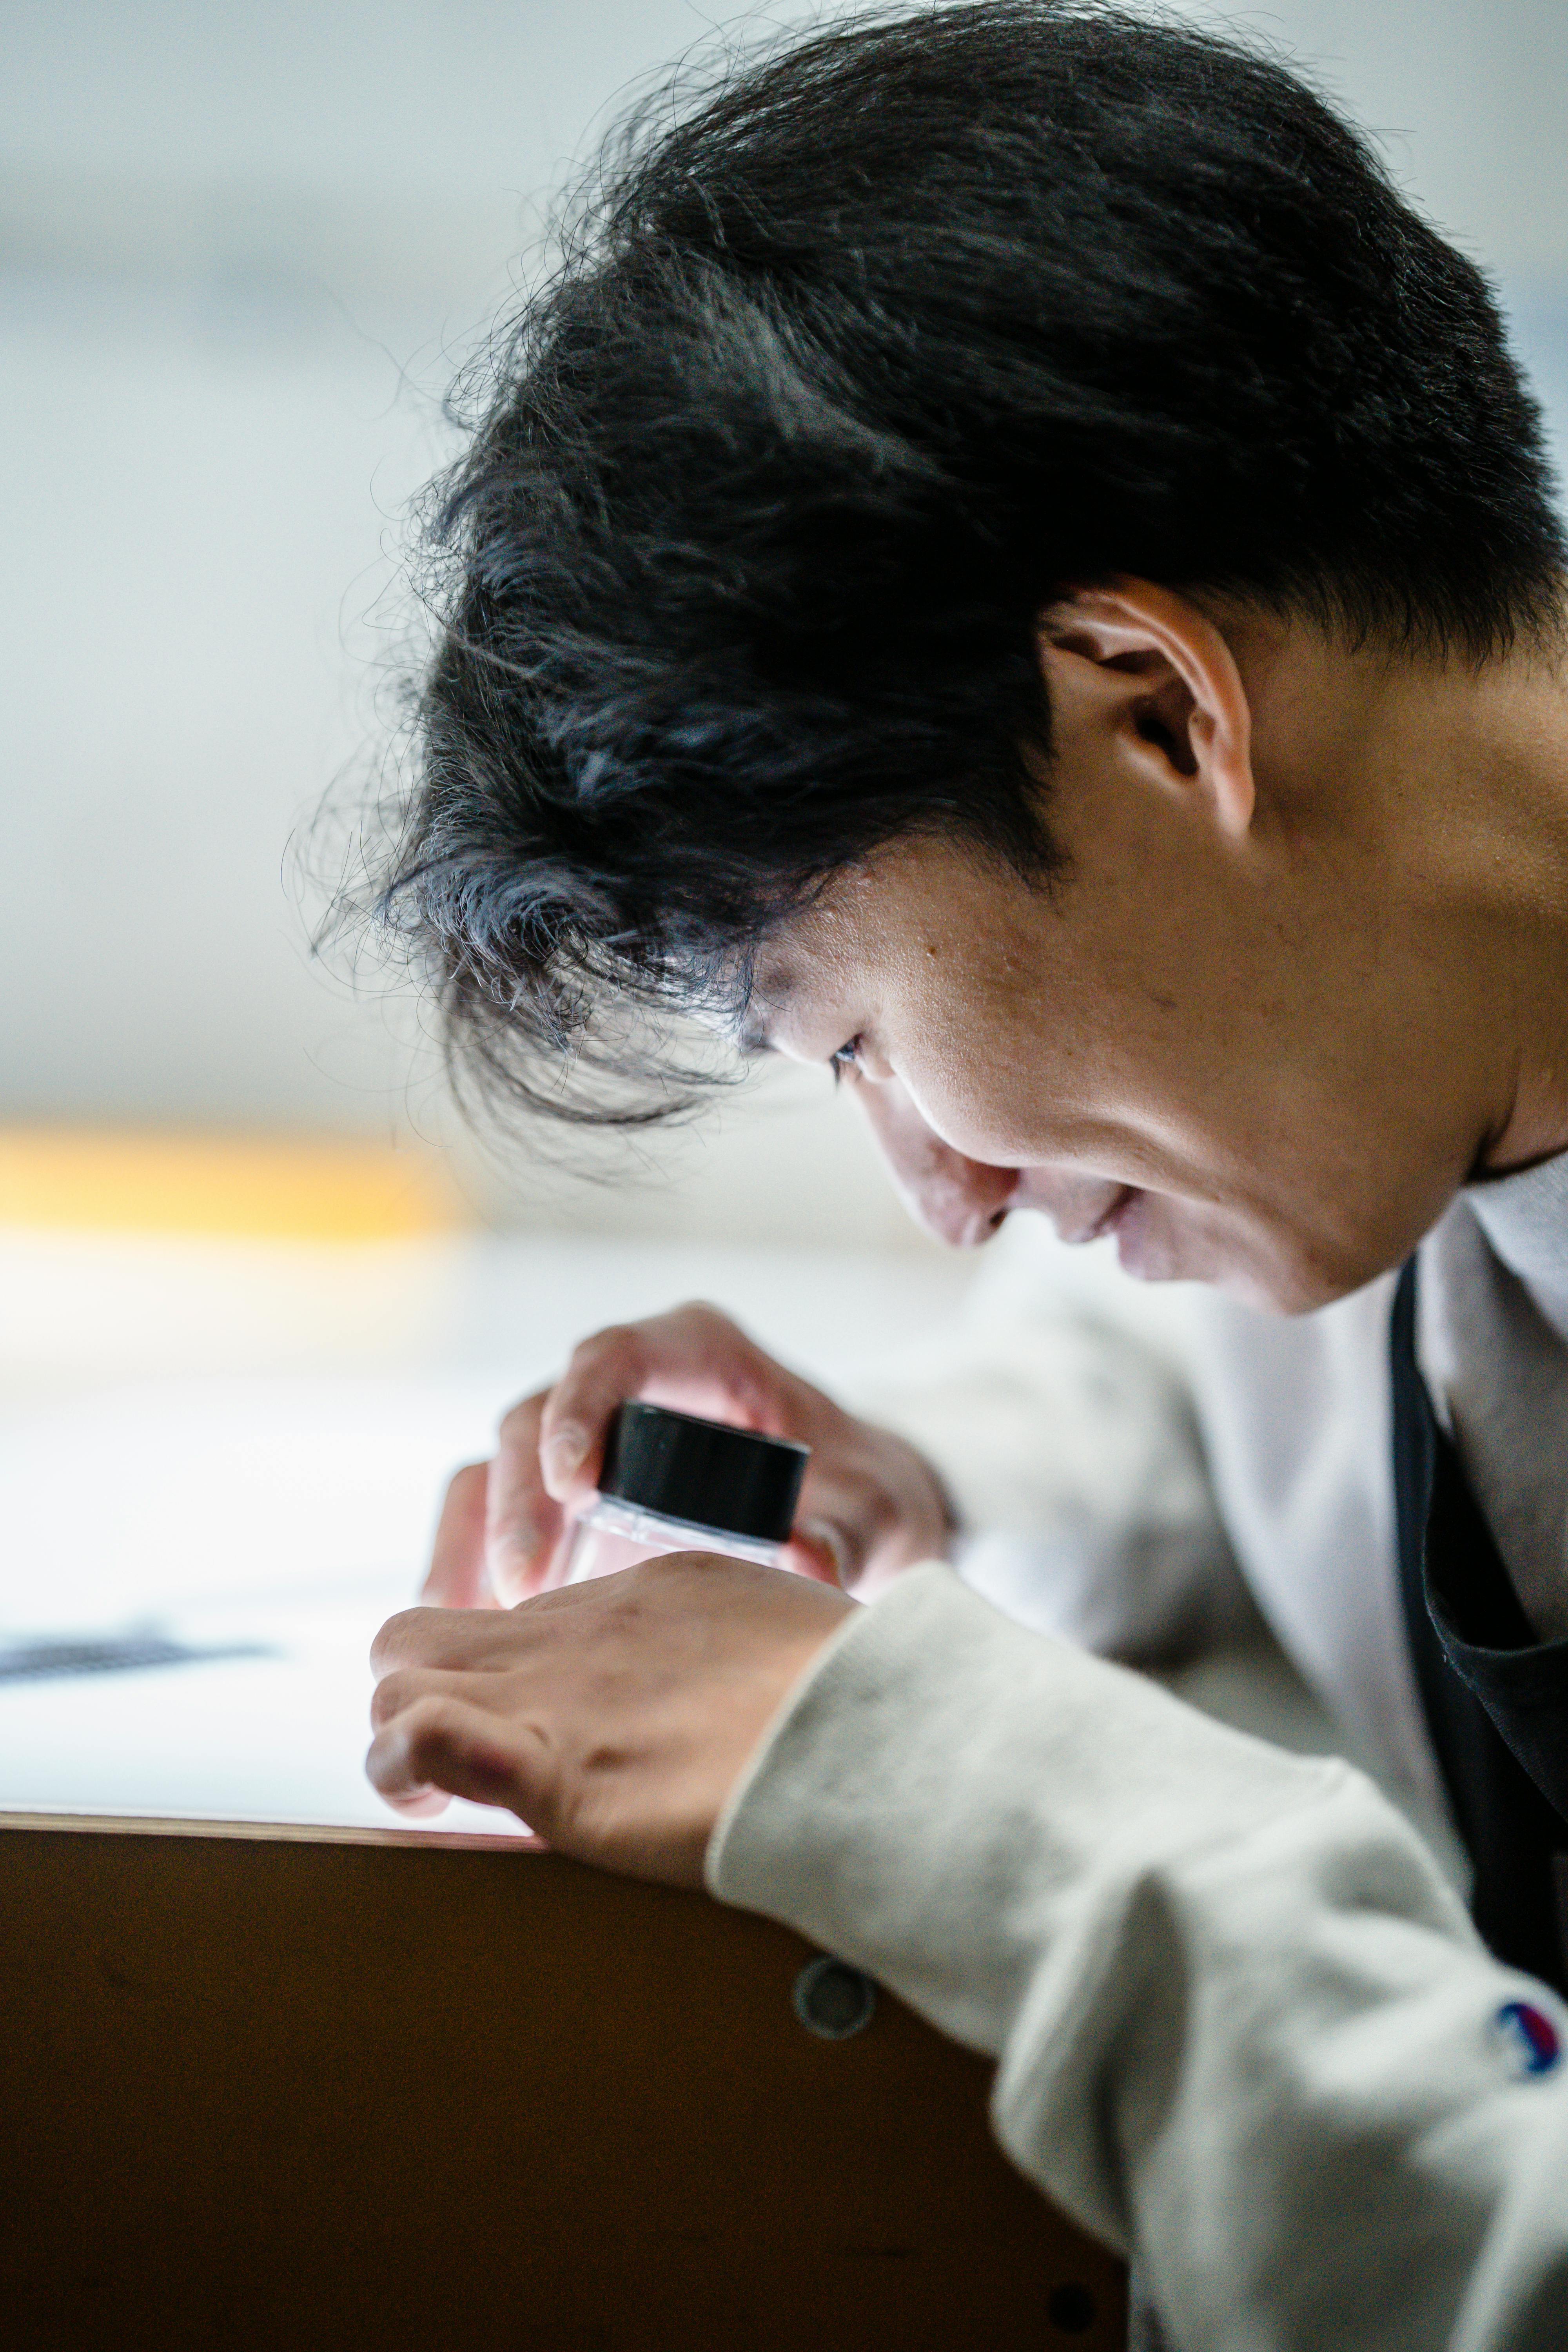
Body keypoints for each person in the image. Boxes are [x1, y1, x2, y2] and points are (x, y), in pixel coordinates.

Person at [358, 5, 1568, 2341]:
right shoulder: (1392, 1042)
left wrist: (974, 1800)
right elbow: (1229, 1385)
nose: (951, 1200)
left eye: (867, 1038)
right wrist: (907, 1470)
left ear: (1155, 710)